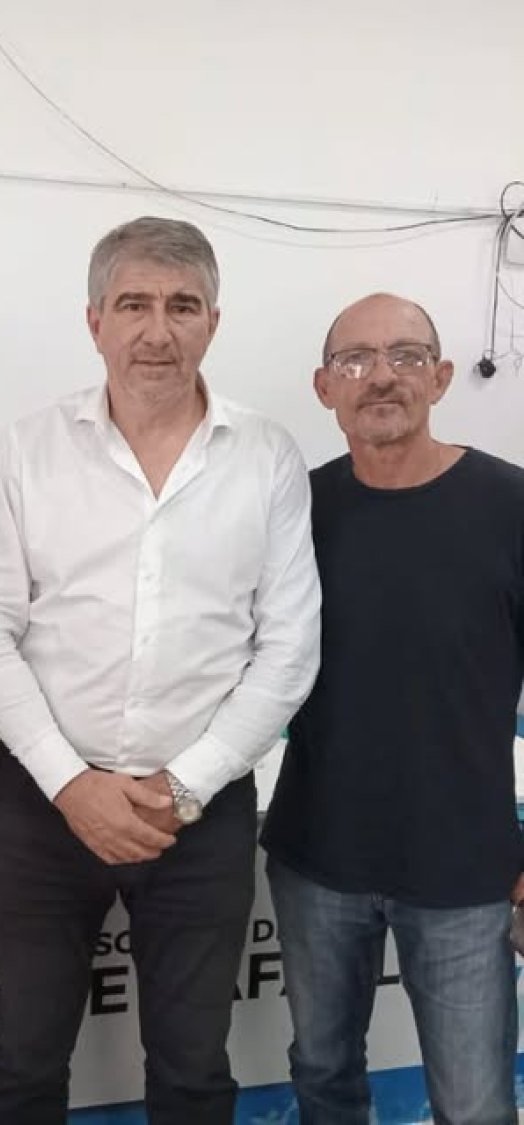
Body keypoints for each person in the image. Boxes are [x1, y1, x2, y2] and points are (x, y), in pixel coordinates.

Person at [0, 215, 321, 1124]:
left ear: (213, 323)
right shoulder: (28, 450)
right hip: (44, 806)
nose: (159, 331)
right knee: (26, 1060)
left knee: (193, 1070)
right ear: (95, 321)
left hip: (199, 813)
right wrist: (73, 785)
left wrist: (183, 785)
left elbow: (288, 651)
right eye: (134, 305)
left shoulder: (267, 458)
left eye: (182, 306)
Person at [262, 292, 524, 1125]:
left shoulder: (511, 506)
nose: (381, 376)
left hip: (466, 871)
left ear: (441, 378)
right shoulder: (292, 512)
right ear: (324, 387)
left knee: (475, 1102)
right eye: (356, 359)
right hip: (315, 859)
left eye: (406, 356)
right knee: (323, 1076)